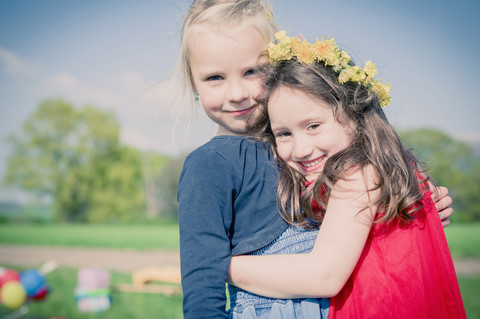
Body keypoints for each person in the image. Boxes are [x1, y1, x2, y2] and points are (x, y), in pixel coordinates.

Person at [227, 31, 466, 318]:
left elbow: (323, 275)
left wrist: (220, 266)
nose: (301, 149)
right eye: (284, 133)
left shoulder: (358, 173)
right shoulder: (383, 167)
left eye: (313, 125)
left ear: (355, 115)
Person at [176, 1, 328, 318]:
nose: (236, 93)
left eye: (252, 71)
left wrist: (406, 205)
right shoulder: (209, 165)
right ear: (194, 85)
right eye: (214, 78)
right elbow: (203, 283)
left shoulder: (304, 143)